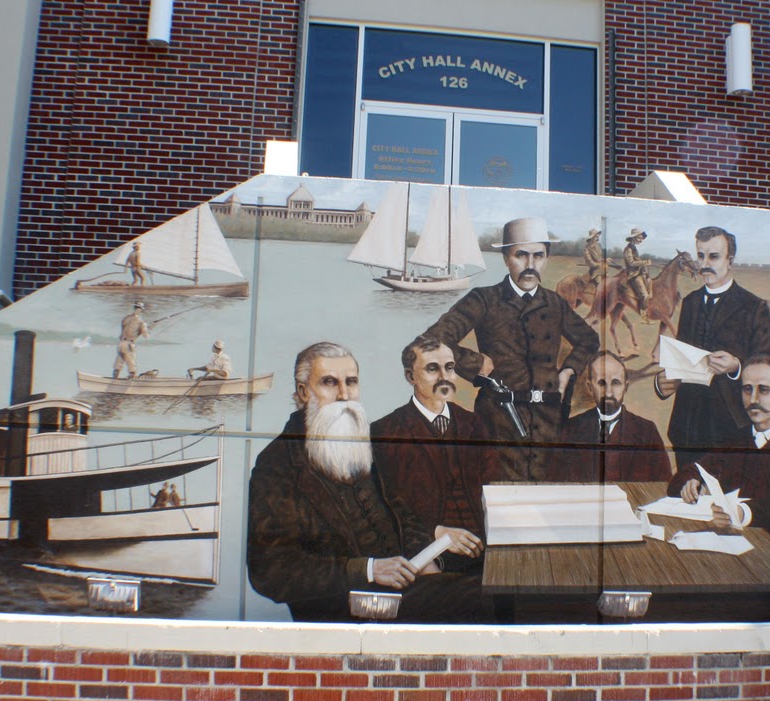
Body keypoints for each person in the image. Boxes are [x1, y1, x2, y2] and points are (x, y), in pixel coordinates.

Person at [246, 341, 487, 623]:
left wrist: (432, 551)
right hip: (347, 606)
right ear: (303, 392)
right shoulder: (277, 464)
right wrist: (369, 570)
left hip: (403, 586)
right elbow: (270, 571)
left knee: (492, 585)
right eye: (329, 383)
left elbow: (400, 517)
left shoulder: (358, 443)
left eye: (351, 382)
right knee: (481, 599)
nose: (344, 395)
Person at [424, 217, 600, 481]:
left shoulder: (554, 303)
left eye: (538, 256)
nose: (531, 265)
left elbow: (589, 339)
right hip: (497, 423)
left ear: (546, 258)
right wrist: (474, 363)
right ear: (506, 258)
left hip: (548, 423)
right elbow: (433, 340)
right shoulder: (484, 299)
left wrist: (568, 372)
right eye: (521, 255)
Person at [370, 336, 493, 573]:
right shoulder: (386, 430)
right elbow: (387, 505)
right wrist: (436, 534)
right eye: (432, 369)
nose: (444, 377)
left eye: (449, 367)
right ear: (410, 377)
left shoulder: (474, 423)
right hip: (429, 554)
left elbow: (492, 487)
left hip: (484, 549)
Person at [655, 226, 770, 463]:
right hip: (686, 429)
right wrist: (662, 382)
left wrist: (737, 368)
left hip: (731, 429)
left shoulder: (754, 307)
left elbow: (769, 368)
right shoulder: (689, 303)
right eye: (700, 256)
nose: (705, 263)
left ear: (730, 260)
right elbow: (681, 357)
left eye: (714, 256)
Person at [668, 356, 770, 531]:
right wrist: (691, 483)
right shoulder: (735, 440)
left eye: (764, 390)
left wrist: (743, 512)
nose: (753, 399)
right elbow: (685, 476)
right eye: (747, 389)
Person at [555, 351, 672, 484]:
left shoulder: (647, 431)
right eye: (601, 383)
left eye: (616, 383)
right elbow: (556, 485)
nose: (609, 392)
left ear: (626, 387)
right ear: (589, 387)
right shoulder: (571, 429)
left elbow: (663, 486)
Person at [112, 301, 150, 379]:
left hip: (121, 344)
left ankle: (114, 380)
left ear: (134, 308)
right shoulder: (141, 322)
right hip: (129, 345)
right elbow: (146, 336)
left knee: (118, 363)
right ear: (140, 310)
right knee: (132, 366)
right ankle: (130, 384)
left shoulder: (126, 318)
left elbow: (125, 329)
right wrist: (148, 328)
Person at [621, 227, 652, 313]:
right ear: (633, 238)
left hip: (639, 273)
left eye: (641, 239)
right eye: (639, 238)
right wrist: (644, 262)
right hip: (633, 274)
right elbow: (631, 263)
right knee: (645, 295)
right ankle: (644, 317)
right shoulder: (628, 249)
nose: (641, 240)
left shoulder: (634, 248)